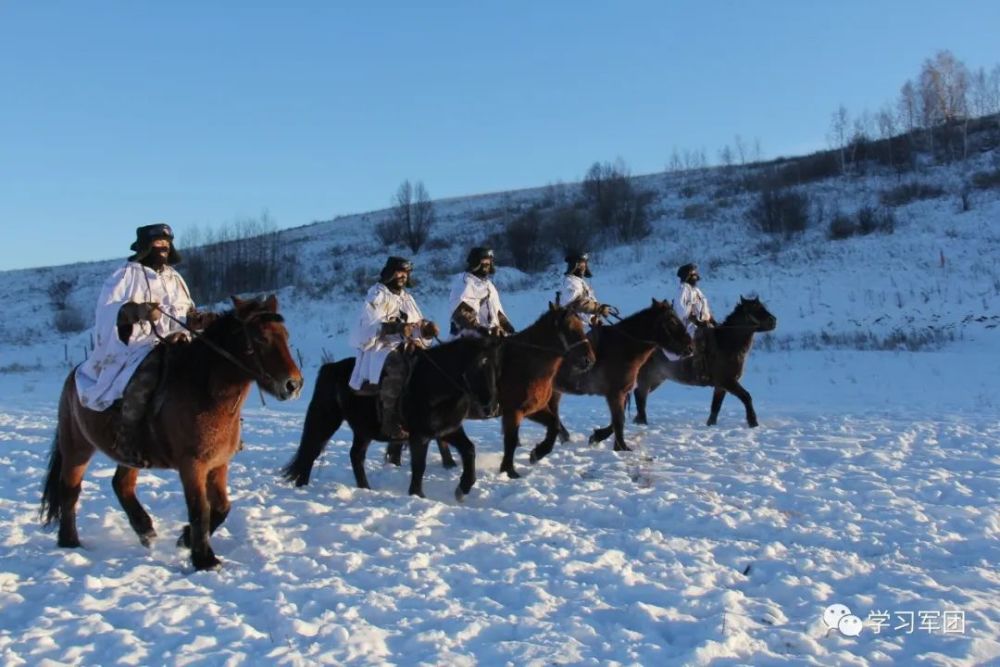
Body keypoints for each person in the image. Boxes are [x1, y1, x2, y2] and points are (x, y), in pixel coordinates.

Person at [75, 223, 209, 467]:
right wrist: (135, 311)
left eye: (167, 245)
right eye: (158, 244)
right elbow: (107, 312)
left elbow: (184, 311)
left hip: (179, 342)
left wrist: (197, 319)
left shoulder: (175, 278)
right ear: (145, 247)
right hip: (141, 345)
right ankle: (127, 439)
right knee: (144, 379)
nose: (163, 249)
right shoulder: (125, 276)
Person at [348, 256, 438, 440]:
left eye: (405, 273)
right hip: (381, 347)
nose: (402, 276)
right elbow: (368, 326)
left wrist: (426, 330)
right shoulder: (377, 294)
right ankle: (390, 421)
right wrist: (395, 328)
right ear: (389, 272)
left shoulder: (407, 297)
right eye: (399, 272)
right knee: (397, 367)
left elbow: (416, 323)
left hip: (406, 345)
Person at [449, 246, 515, 338]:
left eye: (489, 262)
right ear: (475, 262)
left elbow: (496, 311)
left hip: (491, 336)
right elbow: (461, 312)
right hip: (468, 338)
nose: (487, 264)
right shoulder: (465, 283)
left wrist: (506, 325)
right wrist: (479, 328)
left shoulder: (489, 285)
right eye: (484, 261)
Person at [673, 263, 716, 373]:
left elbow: (703, 308)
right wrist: (697, 322)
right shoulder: (683, 290)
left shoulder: (696, 290)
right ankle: (700, 370)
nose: (696, 276)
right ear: (687, 276)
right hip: (689, 327)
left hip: (704, 324)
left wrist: (711, 320)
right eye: (694, 274)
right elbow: (681, 310)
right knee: (702, 341)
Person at [558, 251, 613, 329]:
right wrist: (598, 308)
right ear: (576, 265)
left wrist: (595, 318)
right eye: (583, 262)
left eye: (585, 263)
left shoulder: (579, 281)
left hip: (588, 326)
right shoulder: (571, 282)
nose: (585, 266)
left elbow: (586, 303)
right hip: (578, 330)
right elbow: (575, 304)